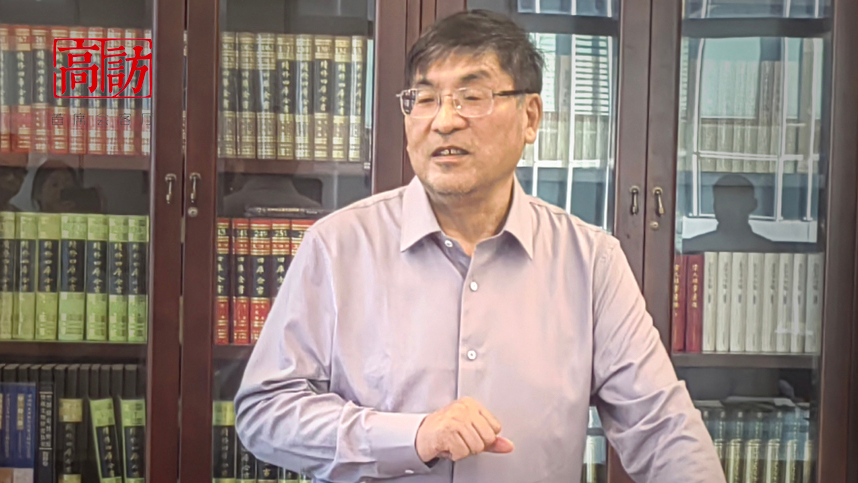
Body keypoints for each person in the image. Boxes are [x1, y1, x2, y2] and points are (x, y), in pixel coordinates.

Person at [235, 10, 725, 483]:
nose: (444, 121)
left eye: (472, 97)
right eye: (425, 99)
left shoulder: (591, 262)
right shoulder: (339, 246)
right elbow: (265, 413)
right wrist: (411, 436)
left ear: (530, 117)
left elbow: (661, 427)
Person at [682, 173, 781, 253]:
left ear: (753, 205)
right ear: (714, 206)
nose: (726, 207)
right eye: (721, 200)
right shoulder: (693, 247)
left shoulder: (768, 250)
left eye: (734, 201)